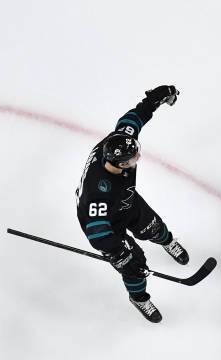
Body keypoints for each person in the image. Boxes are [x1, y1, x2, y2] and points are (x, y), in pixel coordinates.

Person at [76, 85, 189, 323]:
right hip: (106, 224)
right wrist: (122, 256)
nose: (138, 158)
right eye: (133, 159)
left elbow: (132, 120)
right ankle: (139, 298)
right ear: (120, 164)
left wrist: (154, 99)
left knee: (154, 226)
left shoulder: (119, 141)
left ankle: (168, 242)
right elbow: (97, 233)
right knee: (135, 265)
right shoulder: (98, 191)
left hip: (125, 200)